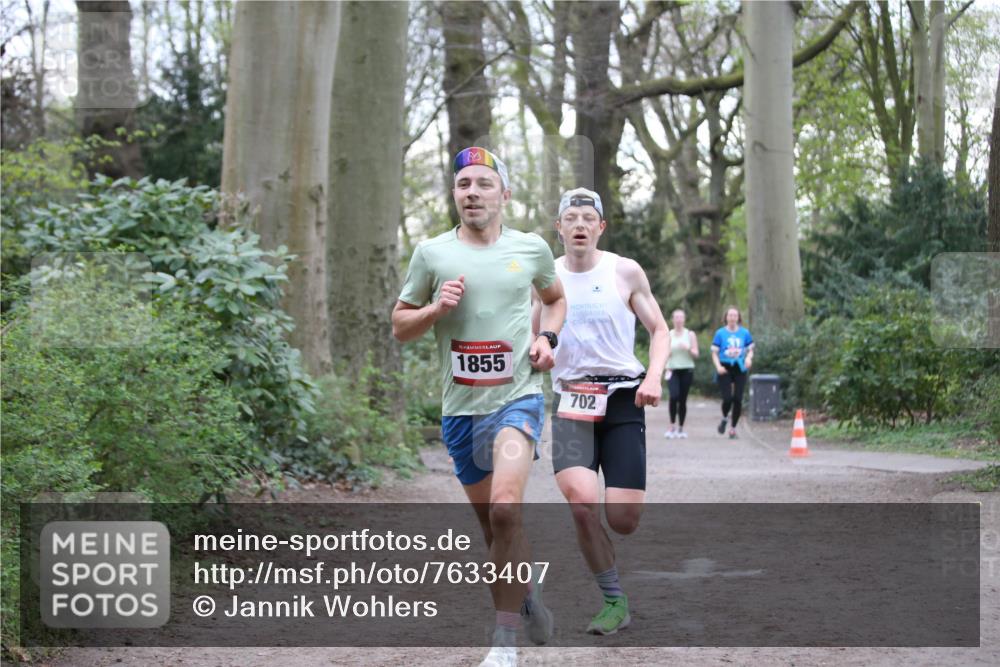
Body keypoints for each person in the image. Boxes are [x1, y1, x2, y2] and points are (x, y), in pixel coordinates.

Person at [392, 147, 567, 667]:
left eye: (484, 184)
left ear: (504, 195)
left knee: (506, 509)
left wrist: (547, 339)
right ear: (454, 194)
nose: (473, 192)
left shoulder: (531, 248)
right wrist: (434, 309)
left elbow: (554, 298)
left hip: (518, 397)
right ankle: (527, 595)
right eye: (464, 184)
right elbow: (400, 326)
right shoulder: (431, 254)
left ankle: (503, 642)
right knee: (495, 530)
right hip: (460, 408)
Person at [541, 187, 668, 636]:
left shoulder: (625, 271)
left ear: (600, 227)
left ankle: (613, 550)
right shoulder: (544, 277)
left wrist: (653, 377)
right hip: (572, 400)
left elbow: (659, 329)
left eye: (586, 218)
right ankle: (614, 599)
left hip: (622, 400)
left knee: (623, 520)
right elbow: (525, 335)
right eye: (570, 218)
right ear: (558, 228)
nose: (578, 224)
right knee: (580, 503)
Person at [710, 306, 754, 439]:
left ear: (738, 318)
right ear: (726, 318)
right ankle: (724, 418)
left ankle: (733, 428)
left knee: (738, 399)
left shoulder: (745, 333)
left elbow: (750, 349)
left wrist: (748, 358)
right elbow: (714, 352)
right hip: (725, 366)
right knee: (727, 398)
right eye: (730, 315)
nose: (733, 318)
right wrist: (718, 366)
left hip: (740, 367)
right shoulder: (720, 333)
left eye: (735, 315)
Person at [664, 308, 699, 438]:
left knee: (682, 400)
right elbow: (662, 353)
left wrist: (688, 348)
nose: (678, 320)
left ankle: (681, 428)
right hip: (672, 369)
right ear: (672, 319)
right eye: (676, 317)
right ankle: (672, 426)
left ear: (684, 319)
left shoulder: (690, 334)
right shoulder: (668, 334)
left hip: (687, 369)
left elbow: (696, 354)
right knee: (674, 396)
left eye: (681, 317)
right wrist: (667, 353)